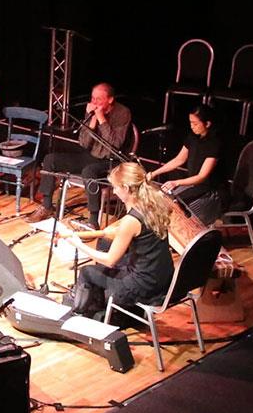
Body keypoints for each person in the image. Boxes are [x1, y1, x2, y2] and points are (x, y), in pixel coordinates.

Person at [61, 163, 175, 323]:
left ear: (126, 188)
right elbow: (115, 233)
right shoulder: (154, 204)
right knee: (105, 245)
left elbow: (110, 260)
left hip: (144, 287)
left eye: (116, 187)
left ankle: (82, 316)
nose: (114, 191)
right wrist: (87, 234)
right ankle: (105, 306)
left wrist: (77, 243)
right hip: (163, 281)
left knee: (88, 272)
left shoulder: (131, 220)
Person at [32, 83, 133, 221]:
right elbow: (84, 143)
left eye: (99, 99)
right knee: (50, 159)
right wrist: (92, 121)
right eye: (93, 98)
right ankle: (47, 206)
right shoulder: (92, 112)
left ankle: (93, 220)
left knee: (88, 171)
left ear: (110, 99)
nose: (94, 102)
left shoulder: (122, 113)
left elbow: (114, 145)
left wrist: (101, 119)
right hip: (91, 156)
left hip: (111, 160)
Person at [148, 105, 227, 223]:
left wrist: (176, 182)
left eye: (195, 124)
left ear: (207, 124)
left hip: (211, 190)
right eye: (190, 123)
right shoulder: (192, 137)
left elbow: (202, 177)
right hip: (195, 186)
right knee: (164, 198)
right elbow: (178, 160)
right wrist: (154, 173)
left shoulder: (215, 144)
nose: (192, 126)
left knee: (177, 206)